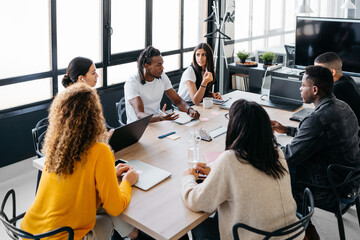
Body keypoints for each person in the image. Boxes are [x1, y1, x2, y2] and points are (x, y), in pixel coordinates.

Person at [20, 83, 146, 240]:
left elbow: (78, 183)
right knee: (107, 218)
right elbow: (114, 208)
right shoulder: (100, 150)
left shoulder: (56, 147)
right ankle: (137, 236)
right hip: (66, 237)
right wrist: (127, 182)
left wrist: (110, 175)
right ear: (95, 115)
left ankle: (135, 236)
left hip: (30, 232)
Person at [181, 99, 302, 240]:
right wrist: (215, 172)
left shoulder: (230, 160)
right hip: (290, 235)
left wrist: (188, 178)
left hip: (256, 236)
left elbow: (197, 202)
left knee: (195, 223)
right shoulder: (276, 153)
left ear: (235, 126)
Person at [272, 65, 360, 237]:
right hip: (351, 184)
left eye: (303, 85)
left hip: (331, 192)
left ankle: (301, 230)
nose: (300, 88)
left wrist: (266, 143)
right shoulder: (342, 107)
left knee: (285, 171)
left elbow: (288, 156)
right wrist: (287, 129)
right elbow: (320, 137)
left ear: (314, 89)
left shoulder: (317, 119)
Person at [125, 46, 200, 123]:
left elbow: (178, 101)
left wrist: (190, 110)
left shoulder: (162, 76)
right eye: (158, 65)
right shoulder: (132, 82)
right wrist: (160, 118)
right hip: (138, 126)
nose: (162, 68)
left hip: (157, 122)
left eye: (162, 64)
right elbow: (140, 114)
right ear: (146, 66)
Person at [314, 52, 360, 131]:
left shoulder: (336, 89)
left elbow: (322, 122)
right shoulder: (347, 79)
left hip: (350, 137)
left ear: (332, 72)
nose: (315, 75)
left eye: (319, 71)